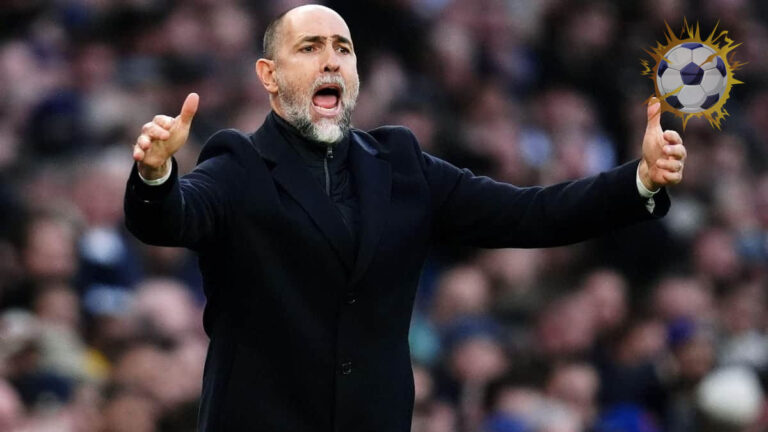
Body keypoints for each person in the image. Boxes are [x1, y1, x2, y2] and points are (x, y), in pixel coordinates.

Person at [123, 5, 686, 432]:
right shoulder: (238, 164)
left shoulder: (401, 165)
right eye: (310, 47)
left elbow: (528, 214)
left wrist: (639, 180)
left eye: (343, 49)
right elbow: (172, 219)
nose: (330, 60)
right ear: (269, 75)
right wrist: (156, 173)